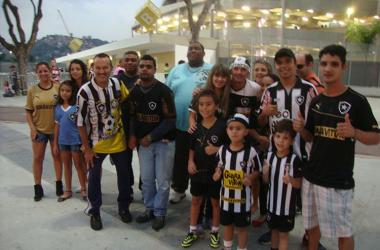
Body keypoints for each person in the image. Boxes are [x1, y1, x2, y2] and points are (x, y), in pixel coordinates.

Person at [293, 44, 380, 250]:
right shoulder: (317, 102)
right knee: (312, 228)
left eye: (334, 64)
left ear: (344, 67)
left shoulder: (356, 101)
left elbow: (376, 137)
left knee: (343, 232)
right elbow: (311, 137)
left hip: (337, 180)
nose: (328, 69)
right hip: (312, 176)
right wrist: (300, 129)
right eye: (324, 64)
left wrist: (355, 133)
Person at [257, 48, 321, 248]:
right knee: (275, 193)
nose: (284, 66)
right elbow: (259, 121)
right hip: (276, 154)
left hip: (303, 152)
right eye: (280, 62)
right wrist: (265, 112)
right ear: (276, 66)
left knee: (307, 200)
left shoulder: (309, 89)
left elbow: (316, 125)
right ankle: (274, 228)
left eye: (288, 61)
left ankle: (310, 236)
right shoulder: (270, 91)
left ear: (295, 64)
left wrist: (302, 130)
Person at [77, 53, 132, 231]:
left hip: (119, 141)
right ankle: (95, 212)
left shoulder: (117, 84)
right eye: (98, 68)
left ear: (111, 67)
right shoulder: (85, 92)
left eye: (105, 67)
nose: (101, 71)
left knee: (124, 176)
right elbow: (80, 123)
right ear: (92, 68)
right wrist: (86, 149)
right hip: (96, 145)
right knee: (93, 179)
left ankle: (124, 207)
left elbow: (128, 101)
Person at [128, 55, 176, 231]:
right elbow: (132, 116)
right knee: (147, 180)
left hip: (163, 142)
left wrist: (151, 136)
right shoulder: (135, 91)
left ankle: (160, 212)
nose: (144, 69)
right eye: (142, 66)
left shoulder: (164, 91)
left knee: (163, 181)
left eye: (148, 66)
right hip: (143, 144)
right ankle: (149, 208)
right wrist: (132, 135)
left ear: (155, 69)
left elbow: (171, 120)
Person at [167, 41, 213, 204]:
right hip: (180, 125)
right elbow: (167, 93)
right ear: (186, 53)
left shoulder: (210, 70)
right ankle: (179, 189)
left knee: (201, 159)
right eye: (190, 49)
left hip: (203, 126)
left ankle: (202, 192)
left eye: (197, 48)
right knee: (180, 159)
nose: (193, 51)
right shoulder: (176, 70)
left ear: (203, 53)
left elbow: (218, 91)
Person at [181, 89, 227, 248]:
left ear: (216, 106)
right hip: (197, 171)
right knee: (195, 201)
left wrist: (217, 150)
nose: (205, 108)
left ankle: (215, 232)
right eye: (201, 105)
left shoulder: (223, 126)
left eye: (208, 104)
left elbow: (231, 148)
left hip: (215, 173)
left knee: (215, 203)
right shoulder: (195, 127)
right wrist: (190, 162)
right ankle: (192, 230)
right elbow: (192, 147)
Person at [213, 113, 261, 250]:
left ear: (246, 132)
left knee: (242, 228)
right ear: (227, 130)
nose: (234, 131)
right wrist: (217, 173)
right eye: (231, 128)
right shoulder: (222, 150)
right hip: (226, 199)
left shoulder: (250, 152)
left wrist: (250, 178)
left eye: (238, 128)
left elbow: (257, 170)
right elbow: (219, 165)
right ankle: (227, 247)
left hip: (243, 202)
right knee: (227, 226)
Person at [25, 62, 63, 201]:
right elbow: (28, 111)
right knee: (37, 158)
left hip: (55, 130)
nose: (43, 73)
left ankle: (59, 184)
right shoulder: (32, 90)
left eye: (45, 71)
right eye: (40, 71)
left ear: (50, 71)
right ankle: (38, 187)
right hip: (39, 130)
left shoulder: (58, 88)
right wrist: (32, 129)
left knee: (57, 157)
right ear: (37, 73)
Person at [262, 119, 302, 250]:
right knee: (273, 231)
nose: (280, 141)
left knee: (284, 235)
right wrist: (265, 173)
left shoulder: (294, 160)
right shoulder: (269, 157)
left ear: (292, 141)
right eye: (278, 136)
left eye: (285, 138)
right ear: (273, 137)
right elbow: (266, 181)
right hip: (272, 206)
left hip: (287, 208)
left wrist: (290, 179)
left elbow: (298, 184)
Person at [53, 80, 87, 202]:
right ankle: (67, 190)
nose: (65, 93)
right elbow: (56, 126)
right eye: (62, 90)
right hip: (63, 142)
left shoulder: (76, 107)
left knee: (79, 165)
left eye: (67, 90)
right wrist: (55, 144)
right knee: (66, 165)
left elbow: (81, 126)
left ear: (73, 92)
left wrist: (84, 142)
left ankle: (84, 188)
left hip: (75, 141)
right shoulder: (57, 108)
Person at [117, 50, 140, 199]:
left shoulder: (145, 77)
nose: (130, 62)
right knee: (125, 162)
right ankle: (128, 188)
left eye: (133, 59)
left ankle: (146, 188)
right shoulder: (115, 80)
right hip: (123, 127)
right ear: (123, 62)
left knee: (146, 161)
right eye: (128, 60)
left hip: (144, 125)